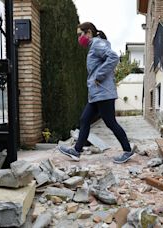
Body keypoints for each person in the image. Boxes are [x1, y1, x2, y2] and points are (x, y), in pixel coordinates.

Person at [57, 22, 134, 164]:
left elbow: (114, 57)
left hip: (104, 93)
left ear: (89, 32)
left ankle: (127, 150)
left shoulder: (98, 44)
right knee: (84, 119)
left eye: (80, 34)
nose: (79, 38)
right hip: (96, 95)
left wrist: (99, 75)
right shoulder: (94, 46)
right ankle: (76, 150)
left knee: (110, 122)